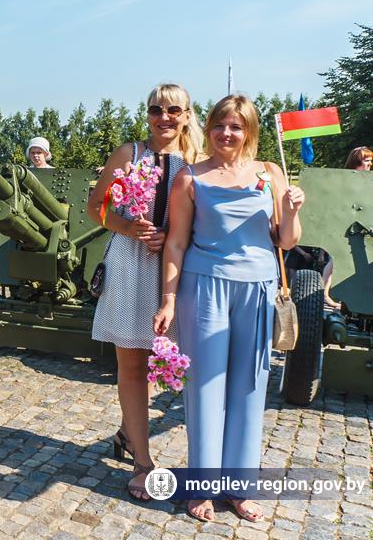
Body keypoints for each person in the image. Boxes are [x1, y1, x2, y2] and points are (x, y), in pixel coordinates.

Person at [153, 94, 305, 523]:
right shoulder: (189, 177)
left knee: (250, 386)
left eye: (236, 126)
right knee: (205, 387)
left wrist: (292, 210)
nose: (226, 133)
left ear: (249, 131)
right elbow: (176, 243)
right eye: (219, 125)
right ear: (209, 129)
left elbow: (286, 240)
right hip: (204, 289)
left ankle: (240, 488)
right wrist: (168, 299)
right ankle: (202, 486)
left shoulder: (270, 173)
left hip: (258, 289)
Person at [86, 83, 203, 500]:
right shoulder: (128, 154)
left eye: (173, 110)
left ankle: (126, 431)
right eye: (156, 109)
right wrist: (128, 226)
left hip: (180, 268)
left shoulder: (199, 161)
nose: (164, 117)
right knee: (133, 365)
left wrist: (172, 236)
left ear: (187, 115)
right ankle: (142, 461)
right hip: (131, 265)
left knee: (176, 360)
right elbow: (95, 207)